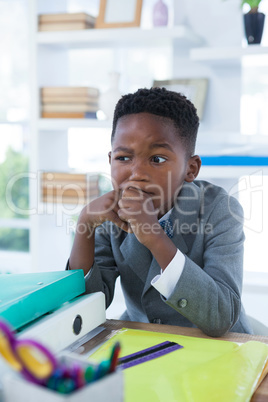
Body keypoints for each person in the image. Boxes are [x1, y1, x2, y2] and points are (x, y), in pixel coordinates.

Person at [68, 87, 252, 337]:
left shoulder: (220, 210)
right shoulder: (109, 215)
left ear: (191, 169)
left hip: (220, 348)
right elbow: (83, 307)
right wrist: (85, 227)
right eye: (123, 158)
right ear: (110, 160)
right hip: (143, 342)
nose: (137, 173)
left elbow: (221, 316)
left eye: (157, 159)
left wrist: (155, 237)